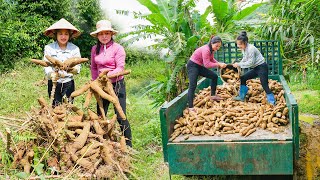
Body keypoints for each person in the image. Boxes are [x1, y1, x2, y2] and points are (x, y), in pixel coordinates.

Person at [90, 20, 132, 147]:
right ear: (97, 36)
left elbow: (120, 68)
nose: (104, 36)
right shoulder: (94, 49)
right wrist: (94, 82)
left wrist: (107, 76)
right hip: (101, 86)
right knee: (100, 115)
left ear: (111, 34)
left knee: (120, 115)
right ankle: (101, 143)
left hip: (116, 85)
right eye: (101, 34)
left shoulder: (118, 48)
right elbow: (93, 67)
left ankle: (129, 146)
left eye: (107, 33)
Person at [43, 18, 82, 107]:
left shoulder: (75, 49)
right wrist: (51, 74)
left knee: (68, 108)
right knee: (55, 108)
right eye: (60, 34)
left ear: (70, 35)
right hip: (54, 82)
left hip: (69, 83)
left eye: (66, 34)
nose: (63, 37)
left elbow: (78, 66)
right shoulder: (49, 48)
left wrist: (73, 70)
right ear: (55, 34)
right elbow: (46, 65)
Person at [233, 31, 275, 105]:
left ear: (245, 42)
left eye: (240, 44)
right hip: (256, 68)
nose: (239, 46)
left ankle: (272, 101)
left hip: (262, 67)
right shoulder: (244, 49)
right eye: (238, 44)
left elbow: (250, 63)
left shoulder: (251, 49)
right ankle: (241, 96)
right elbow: (245, 58)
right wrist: (239, 65)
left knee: (264, 84)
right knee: (243, 78)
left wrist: (239, 64)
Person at [187, 36, 227, 113]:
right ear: (212, 43)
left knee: (214, 76)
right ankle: (190, 107)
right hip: (192, 65)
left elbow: (211, 59)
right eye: (217, 46)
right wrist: (218, 64)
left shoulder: (211, 49)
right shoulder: (206, 50)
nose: (218, 48)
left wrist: (219, 63)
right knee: (193, 85)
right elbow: (207, 64)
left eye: (219, 46)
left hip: (198, 66)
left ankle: (213, 95)